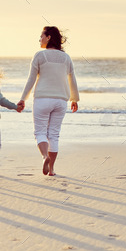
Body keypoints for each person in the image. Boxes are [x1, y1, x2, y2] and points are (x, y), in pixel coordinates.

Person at [17, 26, 79, 176]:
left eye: (41, 36)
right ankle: (51, 169)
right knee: (54, 134)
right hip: (61, 101)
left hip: (42, 99)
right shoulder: (66, 58)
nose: (40, 39)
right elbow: (72, 80)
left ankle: (45, 157)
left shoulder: (39, 55)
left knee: (40, 132)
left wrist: (22, 99)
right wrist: (74, 99)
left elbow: (31, 79)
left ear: (49, 37)